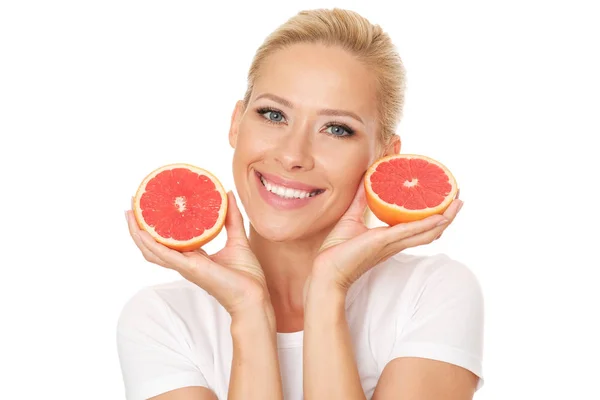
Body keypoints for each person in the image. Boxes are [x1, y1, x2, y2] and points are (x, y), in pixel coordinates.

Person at [117, 7, 484, 400]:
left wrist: (328, 290)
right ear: (236, 124)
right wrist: (249, 312)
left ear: (384, 157)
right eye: (273, 115)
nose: (293, 154)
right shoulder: (163, 318)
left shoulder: (429, 291)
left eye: (337, 129)